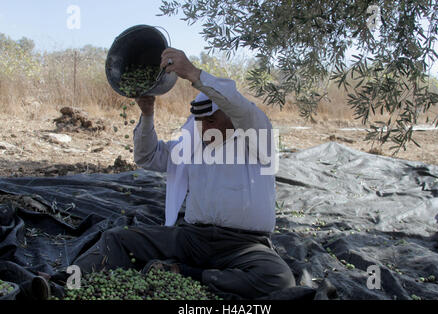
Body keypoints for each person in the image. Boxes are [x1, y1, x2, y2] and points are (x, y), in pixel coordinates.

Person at [28, 48, 296, 300]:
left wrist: (192, 72)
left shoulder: (258, 138)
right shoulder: (193, 146)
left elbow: (241, 107)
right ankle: (61, 283)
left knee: (279, 278)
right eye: (200, 122)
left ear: (232, 118)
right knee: (119, 239)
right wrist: (147, 114)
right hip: (193, 240)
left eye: (211, 121)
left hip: (243, 247)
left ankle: (187, 275)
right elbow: (147, 156)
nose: (203, 129)